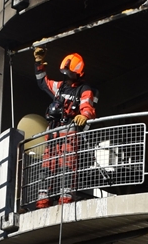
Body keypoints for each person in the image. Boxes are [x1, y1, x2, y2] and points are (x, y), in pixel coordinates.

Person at [32, 49, 98, 208]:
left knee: (66, 167)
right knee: (47, 167)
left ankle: (65, 200)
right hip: (53, 134)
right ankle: (43, 201)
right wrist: (39, 63)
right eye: (66, 72)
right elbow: (43, 82)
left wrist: (85, 116)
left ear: (78, 73)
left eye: (70, 73)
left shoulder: (84, 90)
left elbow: (87, 107)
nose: (68, 76)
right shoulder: (60, 87)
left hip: (69, 134)